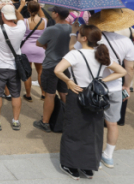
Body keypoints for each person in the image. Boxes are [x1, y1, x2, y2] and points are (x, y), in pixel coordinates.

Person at [54, 24, 126, 180]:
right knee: (93, 131)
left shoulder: (74, 54)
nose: (78, 35)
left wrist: (69, 82)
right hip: (95, 95)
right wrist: (100, 81)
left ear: (84, 38)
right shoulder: (101, 54)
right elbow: (122, 71)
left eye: (79, 33)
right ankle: (88, 166)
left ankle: (70, 165)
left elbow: (57, 70)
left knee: (73, 130)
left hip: (77, 93)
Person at [85, 10, 134, 168]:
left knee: (93, 122)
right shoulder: (126, 41)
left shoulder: (93, 40)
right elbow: (130, 68)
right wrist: (126, 86)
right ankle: (109, 155)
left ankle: (92, 154)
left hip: (95, 86)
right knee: (112, 123)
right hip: (115, 87)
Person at [0, 3, 26, 131]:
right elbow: (21, 19)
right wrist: (15, 9)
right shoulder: (21, 28)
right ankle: (16, 121)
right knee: (16, 94)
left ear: (2, 15)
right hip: (14, 66)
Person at [33, 6, 72, 132]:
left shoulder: (51, 29)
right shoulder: (71, 28)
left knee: (50, 94)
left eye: (53, 11)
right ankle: (69, 120)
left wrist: (48, 46)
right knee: (64, 92)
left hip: (51, 65)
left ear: (56, 14)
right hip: (65, 64)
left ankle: (45, 122)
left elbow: (38, 43)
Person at [20, 1, 46, 102]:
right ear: (39, 8)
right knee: (40, 72)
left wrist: (22, 5)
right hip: (40, 48)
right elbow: (42, 14)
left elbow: (16, 15)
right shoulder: (44, 21)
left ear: (28, 10)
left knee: (27, 72)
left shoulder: (25, 21)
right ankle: (43, 93)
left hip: (26, 48)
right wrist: (39, 7)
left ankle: (28, 94)